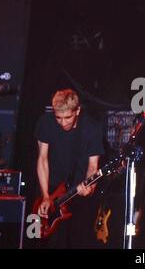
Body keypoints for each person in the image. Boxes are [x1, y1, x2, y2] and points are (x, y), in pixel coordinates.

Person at [35, 88, 105, 248]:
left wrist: (90, 187)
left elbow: (93, 166)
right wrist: (45, 195)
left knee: (76, 241)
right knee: (41, 239)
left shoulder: (91, 128)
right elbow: (42, 159)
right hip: (49, 189)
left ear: (78, 110)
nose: (63, 122)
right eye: (58, 118)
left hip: (77, 192)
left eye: (68, 117)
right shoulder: (46, 122)